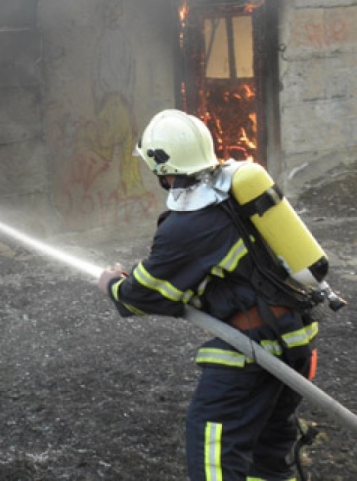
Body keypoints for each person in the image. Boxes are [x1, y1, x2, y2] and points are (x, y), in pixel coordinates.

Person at [98, 109, 319, 481]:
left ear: (161, 167)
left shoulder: (189, 224)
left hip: (251, 351)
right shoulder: (233, 192)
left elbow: (147, 294)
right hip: (295, 337)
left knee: (213, 447)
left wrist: (112, 285)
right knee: (267, 450)